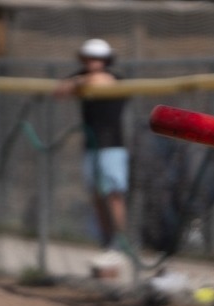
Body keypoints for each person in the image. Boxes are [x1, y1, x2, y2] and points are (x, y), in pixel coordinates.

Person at [54, 38, 128, 251]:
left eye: (95, 58)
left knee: (114, 195)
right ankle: (106, 240)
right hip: (92, 145)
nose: (91, 62)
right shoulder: (80, 77)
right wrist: (79, 82)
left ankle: (119, 241)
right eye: (87, 58)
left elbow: (101, 81)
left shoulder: (114, 77)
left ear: (105, 59)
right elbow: (59, 91)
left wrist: (80, 82)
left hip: (112, 145)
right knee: (97, 196)